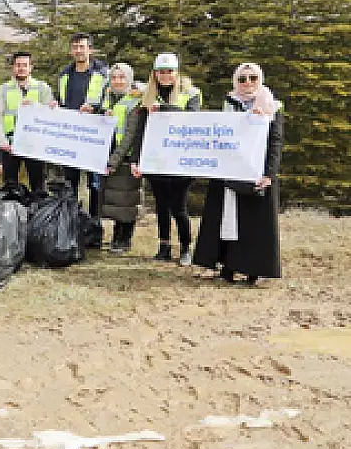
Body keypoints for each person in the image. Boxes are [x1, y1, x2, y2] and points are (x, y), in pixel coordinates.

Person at [193, 63, 283, 285]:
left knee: (253, 223)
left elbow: (276, 142)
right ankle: (228, 266)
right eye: (242, 79)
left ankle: (253, 269)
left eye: (253, 78)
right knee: (228, 220)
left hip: (257, 173)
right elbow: (219, 135)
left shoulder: (273, 106)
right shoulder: (229, 103)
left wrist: (269, 174)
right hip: (229, 172)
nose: (248, 83)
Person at [119, 53, 203, 265]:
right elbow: (140, 132)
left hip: (181, 161)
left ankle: (186, 248)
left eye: (169, 72)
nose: (165, 76)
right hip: (156, 160)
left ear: (176, 72)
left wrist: (164, 109)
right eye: (161, 72)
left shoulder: (190, 94)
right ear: (154, 74)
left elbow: (191, 121)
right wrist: (136, 160)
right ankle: (164, 246)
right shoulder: (147, 97)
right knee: (162, 206)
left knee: (179, 207)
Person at [55, 34, 110, 216]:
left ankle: (94, 224)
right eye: (75, 47)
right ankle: (70, 223)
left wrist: (96, 108)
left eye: (82, 47)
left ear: (90, 49)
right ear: (71, 50)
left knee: (95, 183)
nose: (78, 50)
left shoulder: (103, 74)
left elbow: (111, 100)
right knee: (70, 182)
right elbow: (62, 102)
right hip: (71, 135)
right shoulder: (64, 75)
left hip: (94, 136)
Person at [0, 51, 54, 193]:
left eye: (25, 65)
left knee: (38, 185)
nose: (21, 68)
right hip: (11, 144)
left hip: (35, 145)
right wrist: (2, 141)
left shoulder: (42, 88)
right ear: (13, 67)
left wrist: (36, 105)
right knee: (10, 185)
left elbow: (50, 115)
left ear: (31, 67)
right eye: (18, 65)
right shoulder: (4, 89)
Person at [102, 64, 143, 253]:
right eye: (114, 77)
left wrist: (114, 160)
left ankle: (125, 238)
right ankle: (117, 236)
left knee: (128, 200)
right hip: (111, 156)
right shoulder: (107, 100)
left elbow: (130, 135)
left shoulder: (135, 102)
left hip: (126, 158)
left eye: (122, 77)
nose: (117, 81)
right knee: (117, 201)